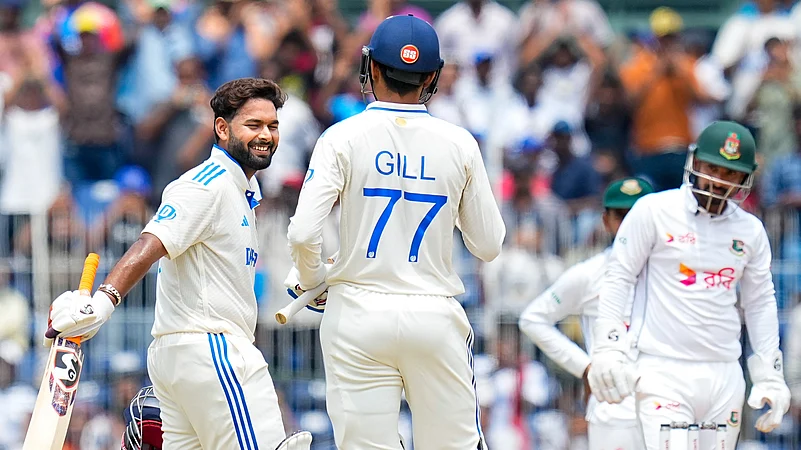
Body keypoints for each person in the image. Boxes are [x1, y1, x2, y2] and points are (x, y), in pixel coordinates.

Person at [45, 77, 313, 450]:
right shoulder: (209, 183)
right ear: (221, 128)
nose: (265, 135)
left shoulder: (241, 192)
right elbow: (151, 241)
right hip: (214, 351)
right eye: (253, 125)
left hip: (183, 359)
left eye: (272, 126)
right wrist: (104, 300)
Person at [286, 14, 506, 450]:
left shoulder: (341, 137)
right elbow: (488, 244)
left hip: (356, 314)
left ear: (370, 68)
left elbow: (302, 233)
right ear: (433, 77)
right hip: (433, 313)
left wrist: (313, 282)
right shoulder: (459, 142)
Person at [588, 121, 791, 450]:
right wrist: (609, 347)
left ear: (745, 178)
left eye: (730, 173)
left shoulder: (750, 231)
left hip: (725, 373)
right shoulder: (654, 211)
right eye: (713, 168)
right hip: (663, 370)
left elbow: (760, 303)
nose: (719, 181)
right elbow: (619, 277)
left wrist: (770, 373)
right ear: (694, 163)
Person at [519, 177, 653, 450]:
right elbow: (533, 319)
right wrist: (586, 367)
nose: (628, 224)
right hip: (614, 409)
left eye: (636, 214)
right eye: (621, 215)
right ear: (606, 221)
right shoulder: (590, 273)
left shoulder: (671, 273)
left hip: (668, 405)